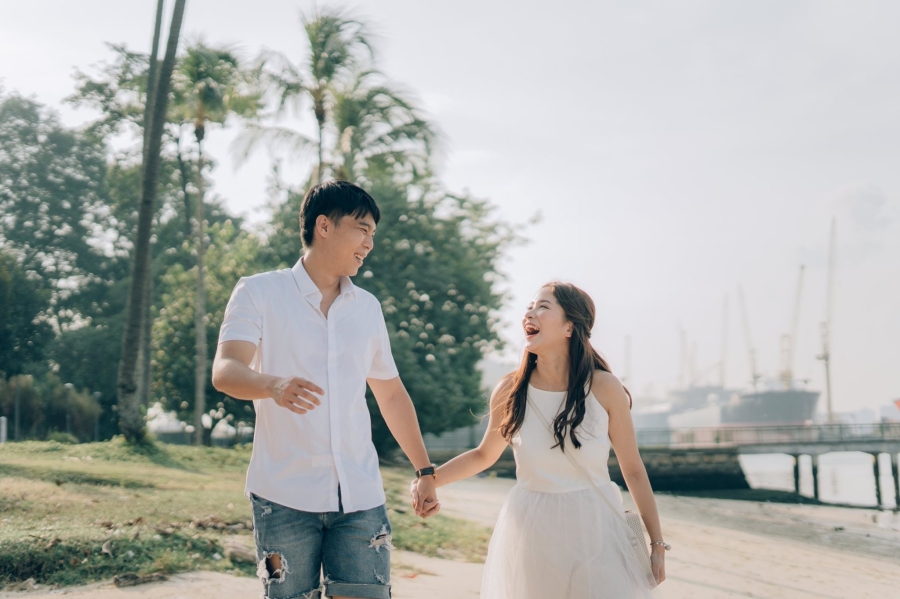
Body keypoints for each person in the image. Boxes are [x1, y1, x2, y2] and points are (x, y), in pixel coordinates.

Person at [212, 180, 440, 599]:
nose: (369, 243)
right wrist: (273, 384)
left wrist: (425, 471)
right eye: (362, 229)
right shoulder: (259, 291)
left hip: (360, 497)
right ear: (324, 226)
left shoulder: (367, 308)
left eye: (373, 233)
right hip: (282, 496)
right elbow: (225, 371)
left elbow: (390, 394)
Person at [411, 282, 666, 598]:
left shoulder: (603, 387)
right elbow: (482, 456)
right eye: (529, 307)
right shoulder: (511, 390)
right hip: (533, 526)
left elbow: (634, 470)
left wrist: (656, 543)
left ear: (570, 326)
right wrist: (429, 480)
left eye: (543, 306)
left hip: (597, 527)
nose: (529, 313)